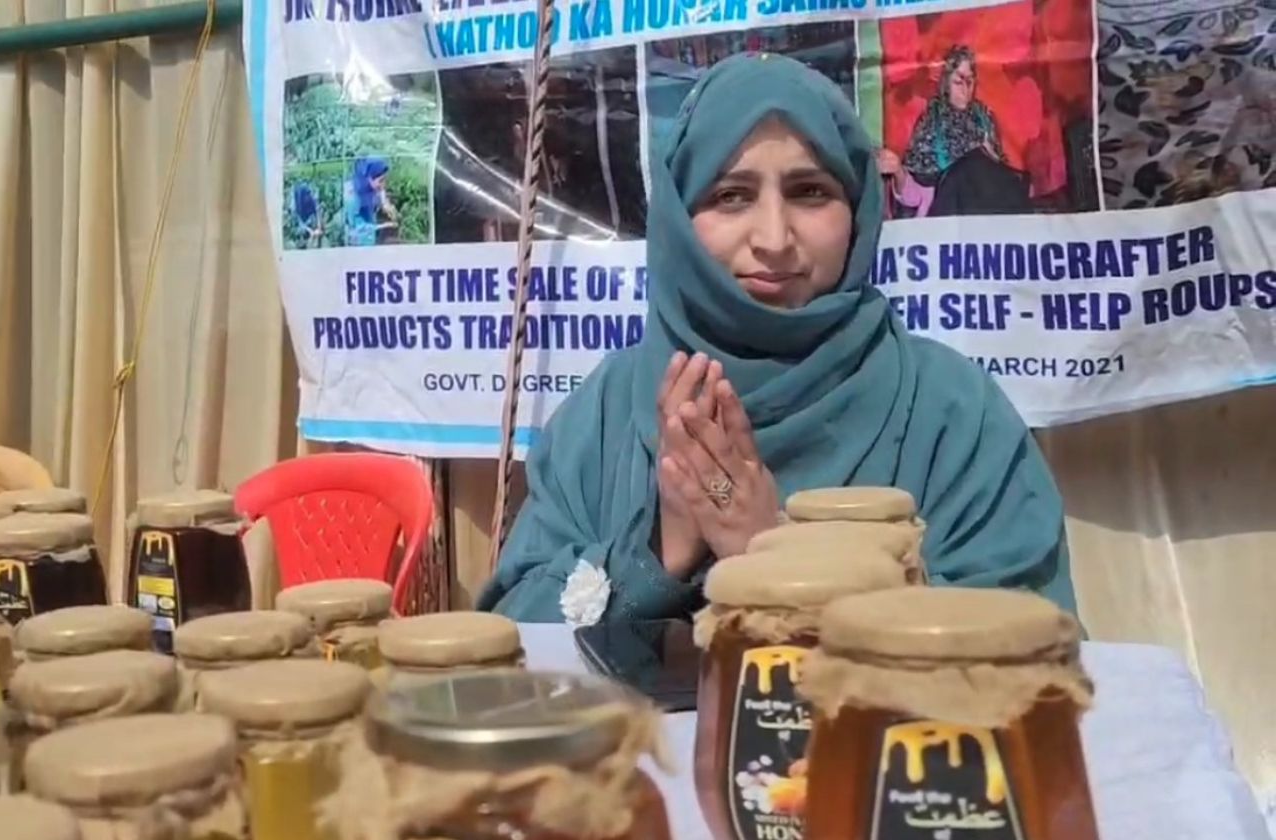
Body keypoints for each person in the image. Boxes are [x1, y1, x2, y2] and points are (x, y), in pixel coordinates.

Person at [478, 54, 1076, 624]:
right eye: (730, 196)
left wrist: (780, 560)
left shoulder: (951, 412)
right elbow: (515, 634)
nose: (773, 239)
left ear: (858, 208)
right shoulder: (609, 410)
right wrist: (655, 552)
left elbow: (1031, 647)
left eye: (809, 191)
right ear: (679, 219)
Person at [879, 45, 1030, 217]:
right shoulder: (931, 122)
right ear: (946, 83)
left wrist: (992, 160)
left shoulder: (984, 118)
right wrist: (898, 171)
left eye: (970, 81)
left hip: (989, 218)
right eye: (958, 82)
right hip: (947, 219)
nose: (965, 89)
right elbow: (915, 196)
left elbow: (1002, 184)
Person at [343, 156, 398, 247]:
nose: (383, 185)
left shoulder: (370, 190)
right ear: (369, 178)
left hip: (369, 242)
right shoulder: (352, 196)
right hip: (356, 245)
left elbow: (382, 203)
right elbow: (356, 228)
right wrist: (385, 226)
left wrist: (384, 202)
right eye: (381, 181)